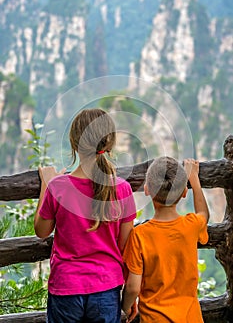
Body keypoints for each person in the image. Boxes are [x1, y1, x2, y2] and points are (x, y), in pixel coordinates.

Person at [34, 108, 137, 323]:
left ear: (74, 143)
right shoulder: (122, 189)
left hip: (66, 287)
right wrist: (129, 295)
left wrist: (46, 184)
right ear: (108, 145)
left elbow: (41, 231)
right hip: (107, 287)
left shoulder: (58, 187)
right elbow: (125, 246)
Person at [122, 157, 209, 323]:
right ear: (184, 192)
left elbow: (133, 287)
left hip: (154, 318)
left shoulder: (139, 235)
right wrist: (194, 180)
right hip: (191, 317)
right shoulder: (191, 225)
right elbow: (204, 214)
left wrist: (126, 307)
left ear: (147, 190)